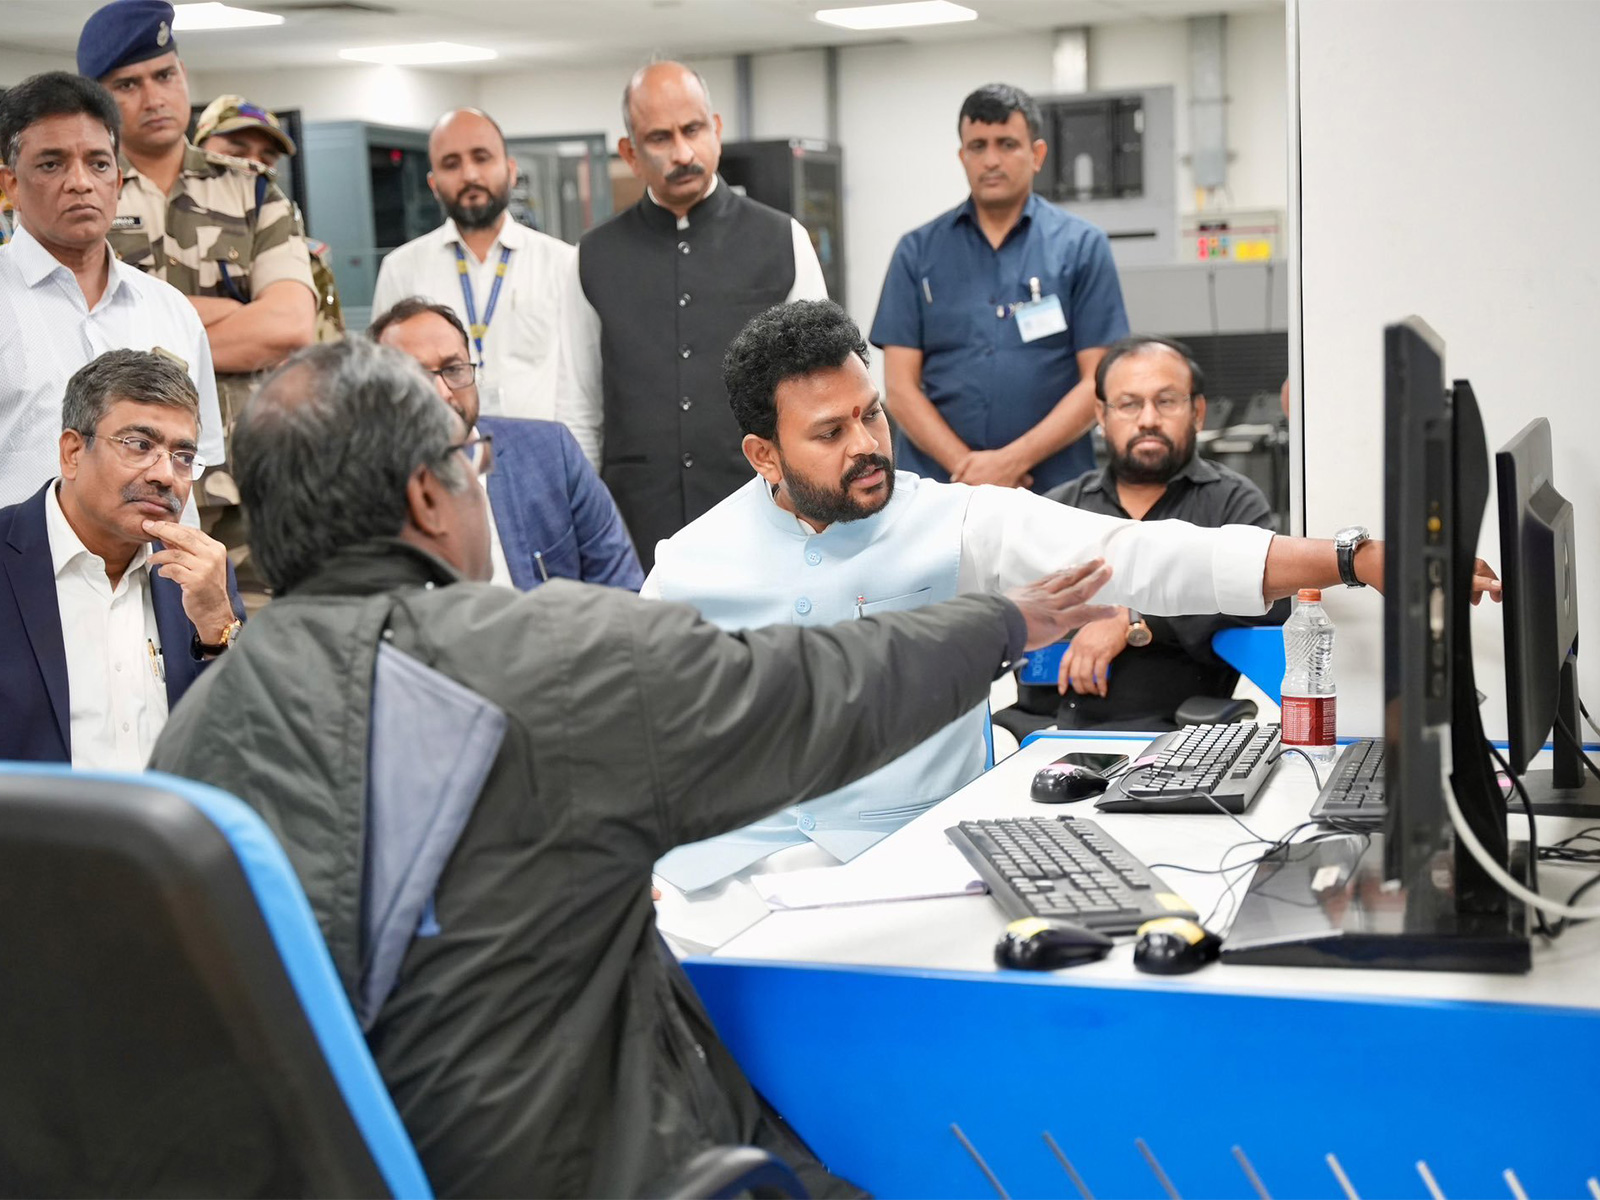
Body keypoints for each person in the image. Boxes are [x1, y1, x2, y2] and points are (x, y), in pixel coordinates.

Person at [148, 335, 1116, 1197]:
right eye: (466, 460)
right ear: (424, 497)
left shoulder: (195, 733)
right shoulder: (543, 659)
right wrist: (1002, 621)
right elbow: (816, 691)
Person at [644, 300, 1499, 896]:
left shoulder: (949, 519)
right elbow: (640, 737)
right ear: (764, 455)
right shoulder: (690, 565)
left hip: (904, 865)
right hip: (728, 881)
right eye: (831, 434)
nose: (869, 445)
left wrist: (1356, 556)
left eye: (871, 415)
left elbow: (1147, 556)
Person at [79, 0, 317, 602]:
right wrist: (231, 313)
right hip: (127, 487)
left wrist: (138, 333)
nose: (153, 96)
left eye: (165, 75)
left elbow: (289, 324)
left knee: (254, 656)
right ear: (99, 99)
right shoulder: (79, 193)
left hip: (251, 478)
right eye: (127, 85)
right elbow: (73, 333)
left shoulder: (251, 190)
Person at [558, 60, 828, 570]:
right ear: (630, 154)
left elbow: (822, 393)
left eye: (693, 130)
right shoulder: (592, 258)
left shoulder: (782, 240)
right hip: (633, 524)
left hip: (763, 520)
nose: (682, 152)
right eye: (660, 138)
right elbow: (578, 411)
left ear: (717, 131)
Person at [870, 83, 1129, 495]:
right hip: (941, 487)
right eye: (978, 146)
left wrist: (1013, 461)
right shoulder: (917, 252)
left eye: (1007, 144)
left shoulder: (1081, 246)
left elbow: (1096, 381)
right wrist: (967, 468)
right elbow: (900, 389)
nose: (991, 160)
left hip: (1052, 486)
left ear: (1037, 154)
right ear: (962, 156)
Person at [0, 349, 243, 768]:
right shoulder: (9, 556)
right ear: (73, 452)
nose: (165, 475)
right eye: (139, 445)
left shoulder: (201, 572)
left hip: (164, 831)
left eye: (183, 457)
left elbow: (243, 748)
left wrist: (218, 629)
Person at [0, 70, 223, 510]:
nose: (80, 182)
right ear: (10, 185)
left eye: (99, 164)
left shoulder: (169, 310)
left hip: (156, 573)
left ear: (117, 183)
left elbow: (192, 466)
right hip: (18, 573)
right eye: (51, 164)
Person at [1042, 335, 1290, 729]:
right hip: (1033, 727)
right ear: (1102, 416)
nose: (1148, 420)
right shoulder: (1060, 506)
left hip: (1171, 736)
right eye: (1129, 404)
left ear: (1197, 412)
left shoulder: (1230, 503)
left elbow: (1269, 595)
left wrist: (1136, 622)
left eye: (1166, 401)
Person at [370, 296, 643, 590]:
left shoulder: (550, 454)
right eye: (417, 378)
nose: (444, 393)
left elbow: (621, 587)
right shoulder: (364, 484)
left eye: (453, 370)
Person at [371, 107, 571, 421]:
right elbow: (387, 381)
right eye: (451, 164)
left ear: (510, 169)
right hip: (438, 452)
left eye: (482, 158)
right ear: (433, 183)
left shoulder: (562, 263)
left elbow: (576, 385)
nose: (470, 175)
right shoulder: (401, 269)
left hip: (540, 456)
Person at [193, 93, 346, 342]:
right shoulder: (170, 234)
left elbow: (319, 354)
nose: (254, 168)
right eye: (236, 153)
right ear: (197, 153)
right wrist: (250, 319)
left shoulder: (306, 260)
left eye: (266, 159)